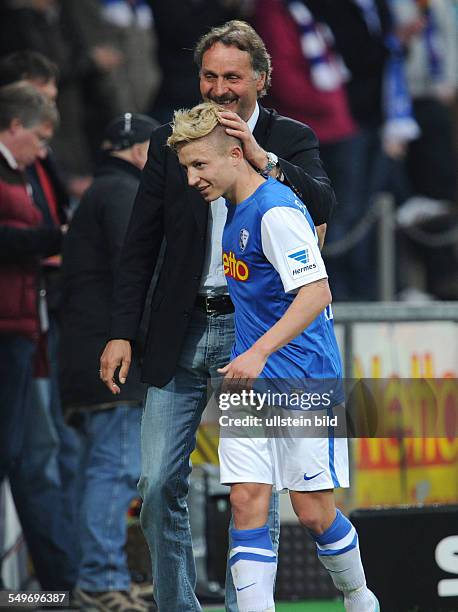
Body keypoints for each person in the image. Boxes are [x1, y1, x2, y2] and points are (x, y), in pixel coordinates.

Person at [99, 20, 337, 612]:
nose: (219, 87)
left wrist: (264, 158)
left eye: (233, 76)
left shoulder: (290, 135)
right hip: (179, 328)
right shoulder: (170, 139)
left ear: (262, 78)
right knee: (155, 484)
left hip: (255, 330)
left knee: (251, 490)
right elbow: (140, 244)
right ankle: (179, 606)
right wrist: (121, 330)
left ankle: (245, 607)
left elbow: (325, 205)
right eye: (209, 75)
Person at [168, 101, 379, 612]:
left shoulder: (275, 210)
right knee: (246, 503)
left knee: (312, 513)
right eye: (186, 168)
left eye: (201, 165)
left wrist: (259, 351)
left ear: (236, 154)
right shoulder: (234, 208)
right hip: (250, 384)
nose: (193, 178)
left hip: (303, 380)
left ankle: (358, 597)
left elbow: (317, 293)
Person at [59, 112, 158, 612]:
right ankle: (100, 580)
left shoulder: (98, 192)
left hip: (84, 358)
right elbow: (135, 270)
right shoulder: (122, 194)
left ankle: (107, 574)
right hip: (109, 363)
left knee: (101, 470)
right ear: (142, 151)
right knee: (116, 469)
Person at [0, 50, 79, 592]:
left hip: (28, 328)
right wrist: (54, 241)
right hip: (11, 332)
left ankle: (58, 585)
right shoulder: (17, 174)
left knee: (30, 457)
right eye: (40, 137)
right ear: (14, 125)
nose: (43, 152)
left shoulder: (26, 172)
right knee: (22, 456)